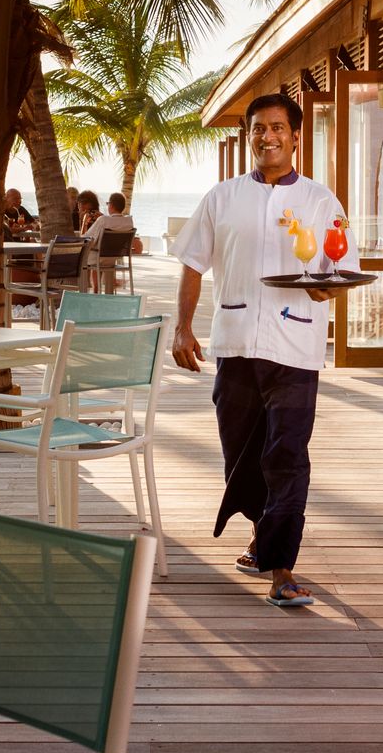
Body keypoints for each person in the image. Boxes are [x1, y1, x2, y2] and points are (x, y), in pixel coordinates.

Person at [173, 92, 359, 610]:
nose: (267, 136)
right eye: (258, 128)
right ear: (249, 135)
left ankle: (282, 567)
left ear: (296, 137)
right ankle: (262, 537)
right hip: (233, 343)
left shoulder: (321, 201)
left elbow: (335, 272)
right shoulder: (223, 196)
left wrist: (326, 288)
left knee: (286, 456)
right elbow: (192, 263)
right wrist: (183, 328)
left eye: (278, 128)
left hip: (295, 347)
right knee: (243, 455)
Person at [83, 193, 138, 293]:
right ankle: (108, 292)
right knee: (100, 256)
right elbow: (116, 222)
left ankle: (95, 291)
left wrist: (85, 222)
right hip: (115, 257)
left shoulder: (103, 220)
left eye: (108, 203)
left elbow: (87, 238)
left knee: (91, 255)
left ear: (111, 205)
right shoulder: (129, 221)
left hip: (99, 257)